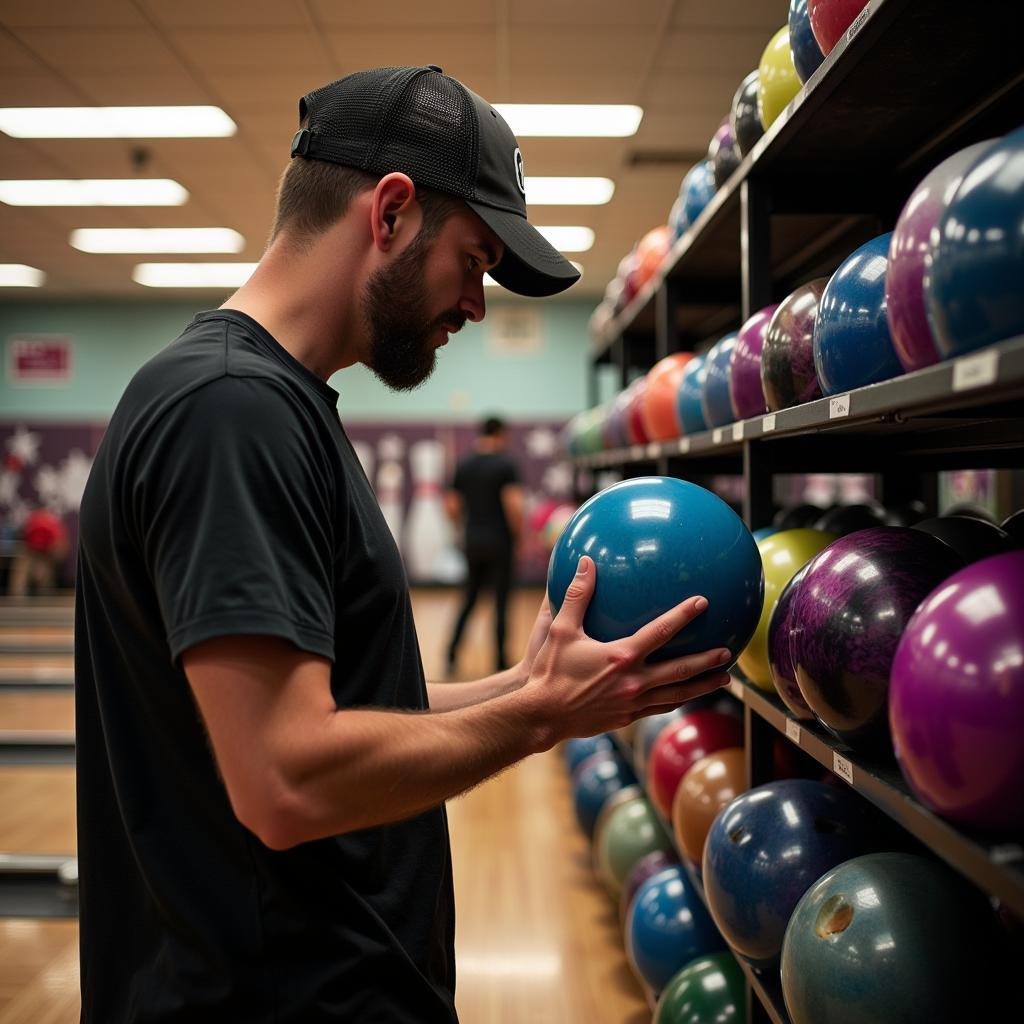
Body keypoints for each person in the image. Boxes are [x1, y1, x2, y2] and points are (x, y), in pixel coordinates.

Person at [75, 65, 732, 1023]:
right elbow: (286, 778)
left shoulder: (275, 404)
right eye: (472, 261)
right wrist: (539, 720)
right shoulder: (233, 412)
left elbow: (353, 704)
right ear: (390, 213)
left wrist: (534, 684)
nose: (475, 304)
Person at [445, 416, 522, 674]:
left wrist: (463, 529)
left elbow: (452, 505)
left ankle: (451, 655)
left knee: (469, 599)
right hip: (500, 541)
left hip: (474, 540)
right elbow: (513, 504)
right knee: (501, 602)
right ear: (500, 433)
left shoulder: (465, 464)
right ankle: (500, 660)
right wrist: (519, 535)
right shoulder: (505, 464)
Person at [8, 505, 68, 596]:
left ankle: (45, 599)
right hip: (30, 552)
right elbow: (25, 540)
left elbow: (60, 549)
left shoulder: (52, 525)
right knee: (20, 573)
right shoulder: (32, 521)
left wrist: (49, 559)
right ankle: (17, 600)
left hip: (46, 554)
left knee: (43, 576)